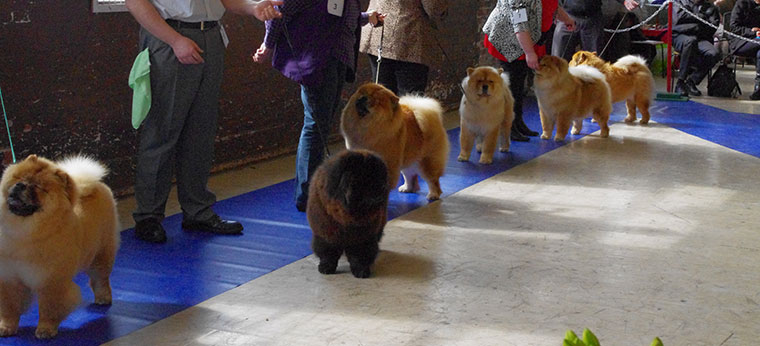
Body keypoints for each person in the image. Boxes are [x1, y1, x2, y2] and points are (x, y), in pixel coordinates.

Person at [125, 0, 283, 244]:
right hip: (171, 36)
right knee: (162, 131)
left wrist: (253, 7)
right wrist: (175, 40)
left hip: (210, 35)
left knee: (201, 131)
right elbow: (135, 2)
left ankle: (197, 210)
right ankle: (149, 216)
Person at [252, 1, 384, 212]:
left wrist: (366, 17)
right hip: (318, 60)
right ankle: (307, 196)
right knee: (316, 127)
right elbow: (279, 10)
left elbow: (340, 13)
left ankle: (313, 190)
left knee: (321, 124)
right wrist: (268, 46)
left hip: (337, 59)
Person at [483, 0, 576, 141]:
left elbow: (552, 6)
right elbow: (519, 23)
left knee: (519, 82)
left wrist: (567, 19)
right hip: (509, 38)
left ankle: (518, 122)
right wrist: (529, 52)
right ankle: (507, 127)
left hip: (527, 38)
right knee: (512, 84)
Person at [359, 0, 449, 96]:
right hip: (409, 38)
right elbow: (434, 7)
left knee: (383, 102)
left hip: (377, 32)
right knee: (409, 103)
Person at [553, 0, 641, 61]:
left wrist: (625, 1)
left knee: (595, 63)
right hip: (567, 15)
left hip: (592, 18)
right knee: (558, 61)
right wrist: (554, 13)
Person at [671, 0, 721, 96]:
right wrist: (701, 18)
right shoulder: (679, 2)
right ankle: (680, 82)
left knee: (714, 53)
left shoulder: (711, 7)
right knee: (690, 42)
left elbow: (712, 28)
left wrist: (692, 23)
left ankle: (692, 81)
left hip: (700, 38)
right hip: (680, 36)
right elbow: (678, 19)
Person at [728, 0, 760, 100]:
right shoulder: (741, 3)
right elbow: (733, 28)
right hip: (740, 43)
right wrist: (752, 32)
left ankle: (758, 87)